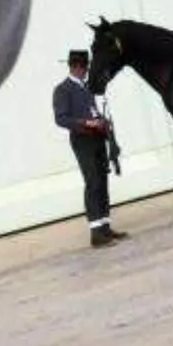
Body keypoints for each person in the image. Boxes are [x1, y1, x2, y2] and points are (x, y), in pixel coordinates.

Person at [53, 49, 127, 248]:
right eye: (85, 67)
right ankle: (96, 233)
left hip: (98, 137)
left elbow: (96, 108)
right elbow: (61, 119)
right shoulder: (63, 89)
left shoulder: (89, 87)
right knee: (92, 182)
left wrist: (102, 122)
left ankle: (105, 227)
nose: (86, 71)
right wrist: (86, 123)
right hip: (82, 140)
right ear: (76, 67)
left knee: (102, 181)